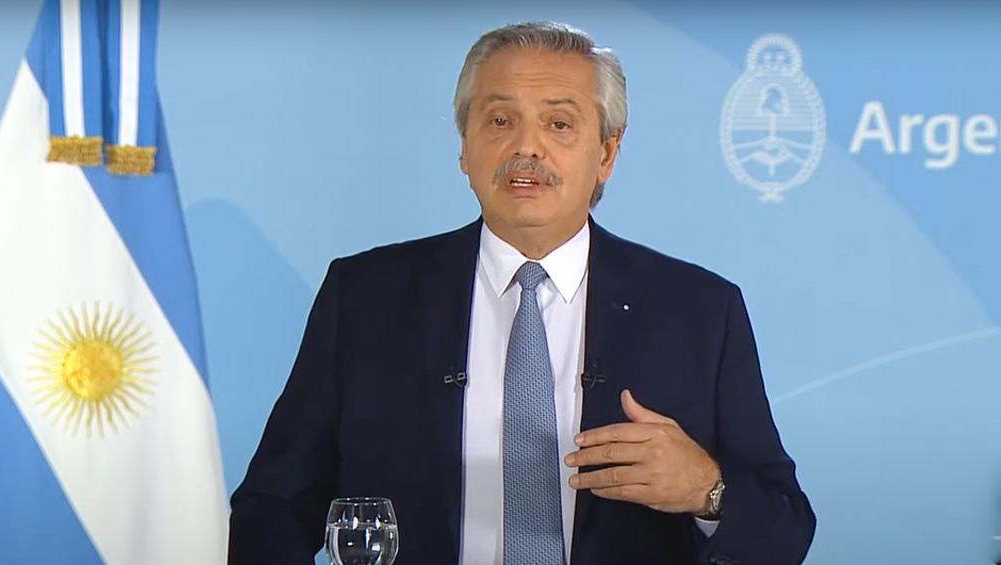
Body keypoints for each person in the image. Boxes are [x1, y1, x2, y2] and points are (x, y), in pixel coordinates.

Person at [228, 21, 815, 565]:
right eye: (500, 121)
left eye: (559, 124)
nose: (526, 148)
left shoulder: (699, 312)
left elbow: (786, 528)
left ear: (607, 152)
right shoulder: (365, 297)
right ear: (464, 146)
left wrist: (706, 490)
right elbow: (271, 507)